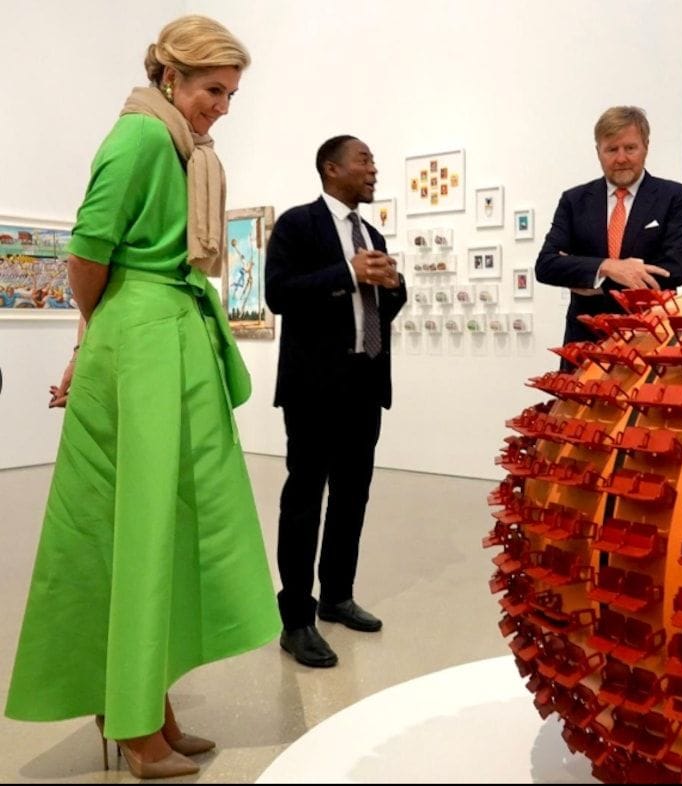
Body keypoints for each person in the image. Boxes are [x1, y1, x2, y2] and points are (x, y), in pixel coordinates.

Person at [5, 15, 280, 779]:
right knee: (135, 527)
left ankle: (145, 700)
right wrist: (96, 334)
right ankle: (131, 722)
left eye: (230, 94)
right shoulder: (137, 139)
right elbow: (88, 250)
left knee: (167, 528)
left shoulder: (185, 147)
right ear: (171, 77)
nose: (221, 107)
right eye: (211, 90)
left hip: (171, 340)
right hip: (140, 344)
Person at [265, 135, 406, 668]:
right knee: (304, 502)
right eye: (365, 160)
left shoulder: (369, 230)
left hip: (364, 383)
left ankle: (337, 596)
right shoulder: (298, 225)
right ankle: (296, 619)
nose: (374, 168)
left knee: (352, 496)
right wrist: (348, 274)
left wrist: (392, 285)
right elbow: (278, 293)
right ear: (332, 168)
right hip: (313, 388)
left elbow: (383, 304)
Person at [535, 105, 682, 363]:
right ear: (598, 152)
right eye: (611, 149)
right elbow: (546, 266)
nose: (621, 158)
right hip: (585, 345)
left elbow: (673, 271)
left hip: (649, 342)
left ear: (645, 146)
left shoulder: (674, 198)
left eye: (630, 148)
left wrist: (592, 281)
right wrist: (609, 267)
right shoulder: (574, 201)